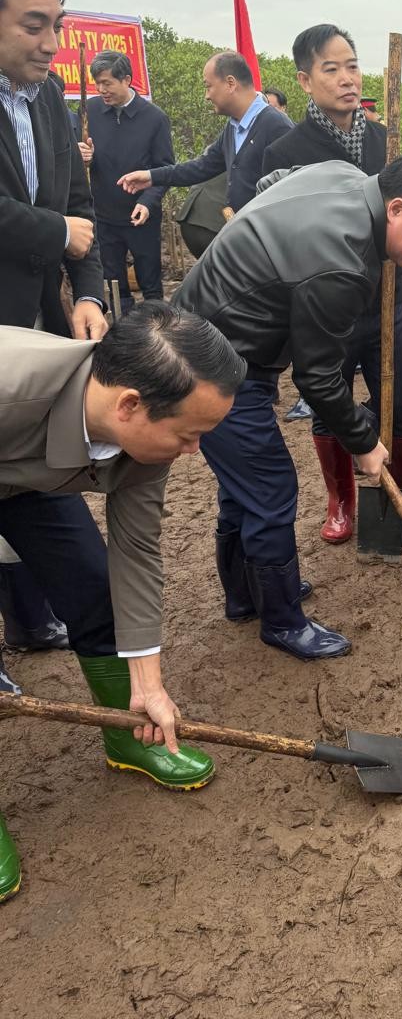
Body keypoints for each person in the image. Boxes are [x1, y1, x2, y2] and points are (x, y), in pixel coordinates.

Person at [173, 153, 402, 661]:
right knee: (269, 488)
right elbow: (316, 378)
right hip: (212, 364)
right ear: (396, 208)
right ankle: (283, 621)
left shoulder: (349, 178)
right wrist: (365, 442)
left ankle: (247, 596)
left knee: (242, 487)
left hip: (210, 337)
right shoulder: (341, 258)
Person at [0, 302, 246, 904]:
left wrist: (150, 684)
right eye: (188, 435)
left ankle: (127, 736)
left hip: (29, 476)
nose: (194, 453)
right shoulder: (9, 389)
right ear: (130, 405)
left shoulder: (144, 440)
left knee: (93, 590)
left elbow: (135, 551)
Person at [259, 24, 402, 536]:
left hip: (390, 299)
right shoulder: (288, 151)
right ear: (304, 80)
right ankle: (340, 501)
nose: (346, 79)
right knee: (329, 398)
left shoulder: (385, 142)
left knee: (401, 400)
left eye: (353, 66)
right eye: (331, 69)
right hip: (324, 310)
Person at [0, 0, 108, 679]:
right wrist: (55, 233)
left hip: (30, 345)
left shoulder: (49, 105)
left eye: (57, 26)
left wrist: (92, 292)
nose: (50, 42)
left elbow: (79, 210)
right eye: (32, 24)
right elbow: (57, 224)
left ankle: (128, 718)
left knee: (64, 533)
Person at [118, 51, 291, 217]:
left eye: (208, 87)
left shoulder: (277, 127)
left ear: (231, 83)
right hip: (242, 235)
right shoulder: (233, 127)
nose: (206, 96)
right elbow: (201, 167)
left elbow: (290, 195)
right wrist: (151, 177)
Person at [76, 50, 172, 314]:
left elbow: (164, 170)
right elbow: (75, 153)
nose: (101, 89)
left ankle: (154, 330)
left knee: (150, 281)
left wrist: (148, 202)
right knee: (113, 281)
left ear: (127, 79)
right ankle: (122, 329)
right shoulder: (90, 111)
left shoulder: (154, 118)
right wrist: (84, 156)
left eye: (107, 83)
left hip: (140, 216)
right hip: (104, 215)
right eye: (97, 83)